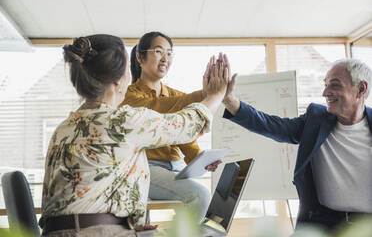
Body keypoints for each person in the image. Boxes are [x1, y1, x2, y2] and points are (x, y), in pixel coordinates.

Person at [39, 34, 229, 237]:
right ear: (119, 79)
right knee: (209, 233)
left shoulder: (63, 128)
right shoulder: (123, 121)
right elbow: (186, 124)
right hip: (99, 232)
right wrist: (216, 95)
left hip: (66, 232)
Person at [221, 58, 372, 231]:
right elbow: (271, 125)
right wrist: (229, 100)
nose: (325, 92)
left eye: (335, 85)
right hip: (321, 224)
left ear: (361, 89)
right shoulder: (316, 119)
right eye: (325, 85)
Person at [120, 31, 222, 221]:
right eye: (159, 52)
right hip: (144, 168)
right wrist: (205, 95)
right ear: (140, 57)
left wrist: (199, 159)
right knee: (200, 196)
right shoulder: (127, 96)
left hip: (176, 168)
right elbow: (158, 110)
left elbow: (183, 135)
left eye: (169, 53)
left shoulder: (177, 96)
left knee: (216, 207)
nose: (165, 59)